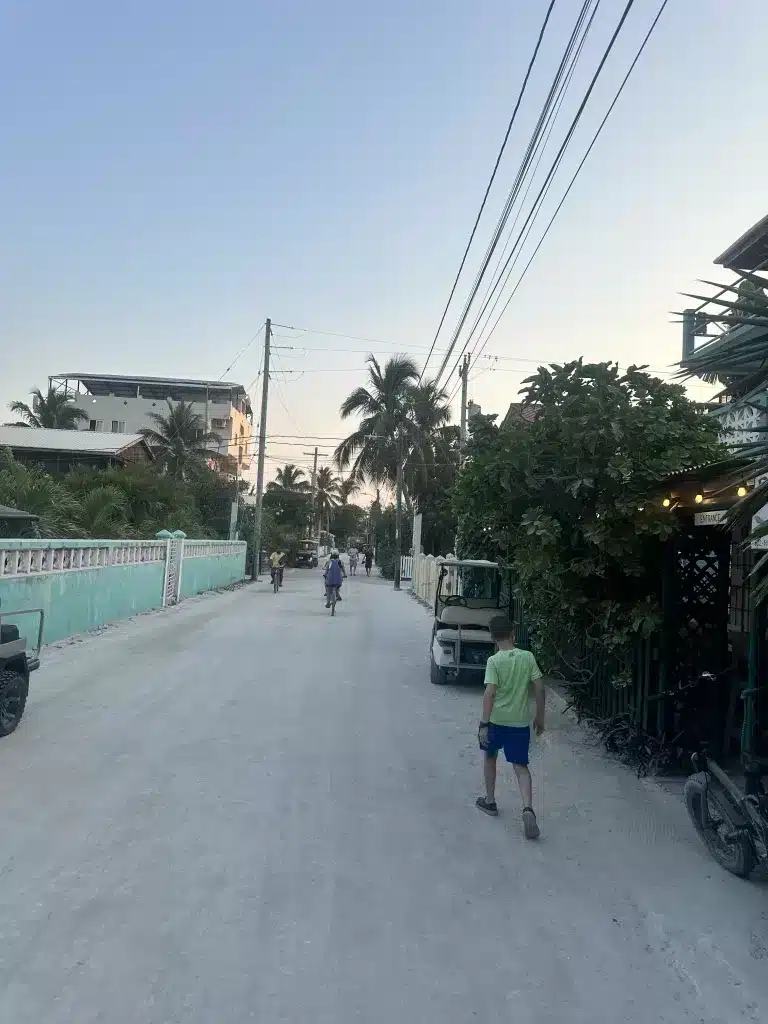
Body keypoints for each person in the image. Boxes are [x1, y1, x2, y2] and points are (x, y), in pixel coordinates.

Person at [476, 615, 544, 838]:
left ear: (493, 638)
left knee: (490, 757)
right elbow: (539, 687)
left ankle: (490, 801)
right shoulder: (528, 657)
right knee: (521, 766)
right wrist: (540, 717)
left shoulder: (494, 662)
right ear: (513, 635)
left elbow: (490, 692)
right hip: (519, 724)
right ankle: (527, 809)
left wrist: (484, 723)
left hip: (497, 721)